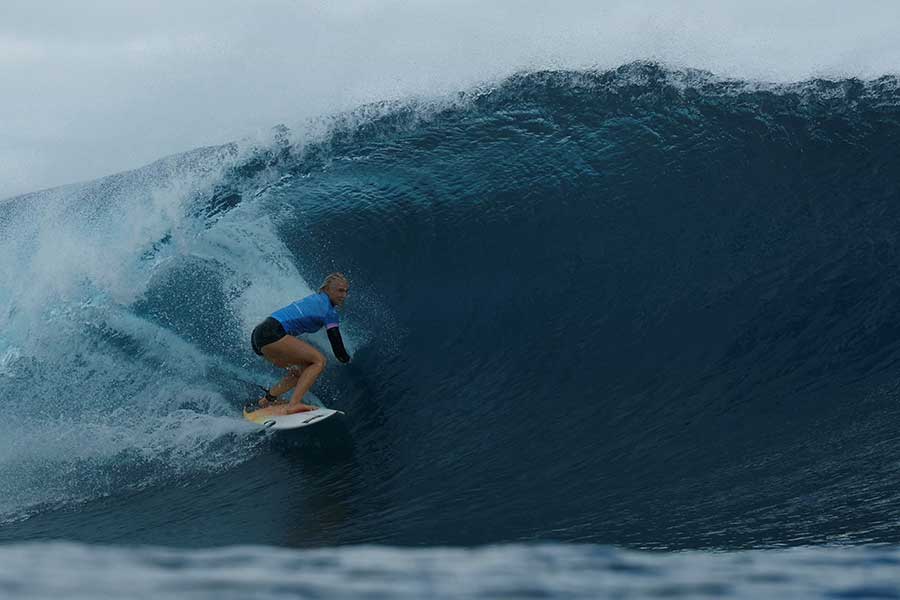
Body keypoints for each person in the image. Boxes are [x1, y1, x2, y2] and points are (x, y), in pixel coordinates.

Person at [249, 272, 351, 416]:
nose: (344, 295)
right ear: (327, 289)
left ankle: (266, 400)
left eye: (346, 291)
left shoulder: (315, 299)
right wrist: (347, 360)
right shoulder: (329, 312)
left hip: (259, 335)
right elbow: (337, 347)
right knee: (319, 361)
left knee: (299, 372)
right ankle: (294, 404)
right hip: (272, 333)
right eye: (340, 290)